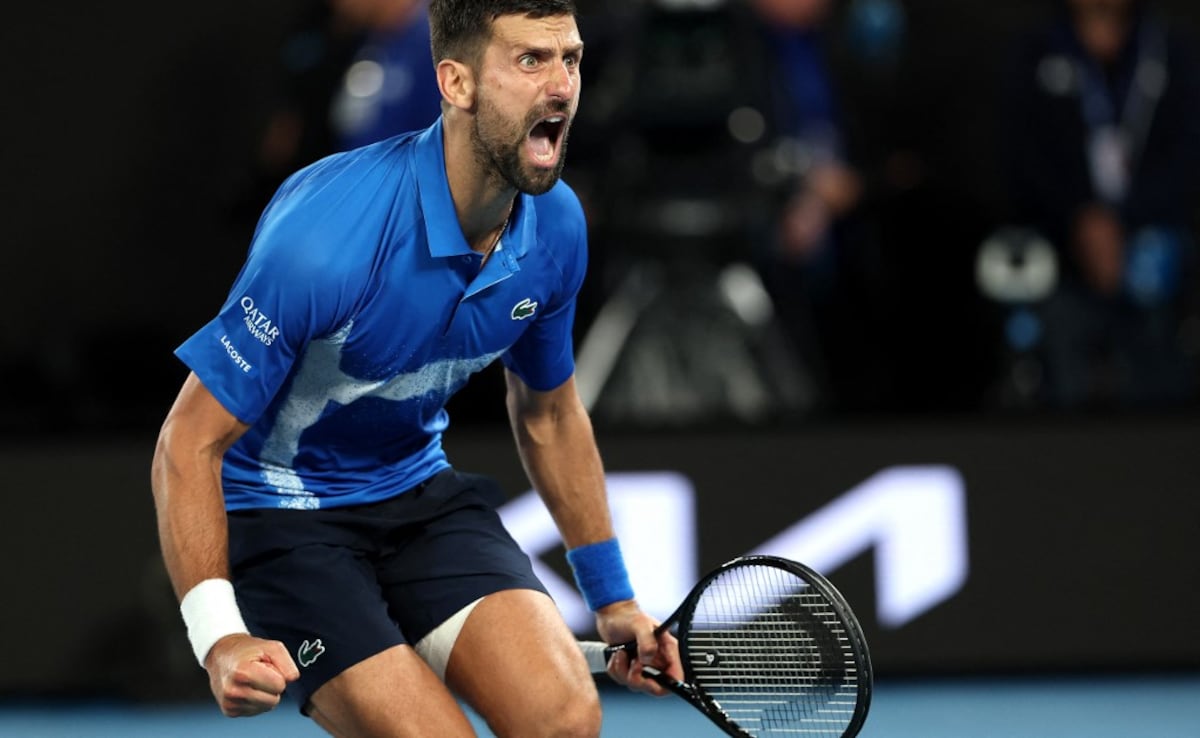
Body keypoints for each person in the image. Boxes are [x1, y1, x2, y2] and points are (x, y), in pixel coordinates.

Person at [150, 1, 681, 735]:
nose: (561, 87)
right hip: (281, 521)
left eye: (571, 59)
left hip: (418, 498)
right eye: (530, 60)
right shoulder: (327, 238)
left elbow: (548, 413)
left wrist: (614, 600)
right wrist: (218, 634)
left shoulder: (556, 226)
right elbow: (186, 442)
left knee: (564, 719)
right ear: (455, 82)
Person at [1001, 0, 1200, 408]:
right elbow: (1021, 157)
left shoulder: (1170, 51)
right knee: (1054, 342)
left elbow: (1187, 157)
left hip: (1153, 253)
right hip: (1063, 252)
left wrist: (1125, 221)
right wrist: (1080, 219)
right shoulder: (1035, 51)